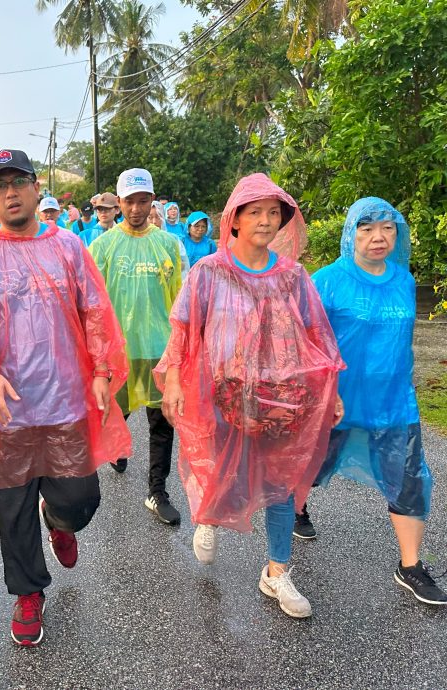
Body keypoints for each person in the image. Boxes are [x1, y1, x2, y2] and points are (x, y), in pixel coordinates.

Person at [0, 149, 131, 647]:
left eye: (19, 182)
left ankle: (60, 521)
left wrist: (100, 368)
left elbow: (96, 310)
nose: (10, 192)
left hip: (65, 401)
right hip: (8, 409)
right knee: (12, 509)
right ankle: (29, 593)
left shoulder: (69, 247)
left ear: (35, 188)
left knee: (80, 500)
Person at [156, 173, 345, 618]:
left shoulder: (293, 276)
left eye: (273, 212)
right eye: (255, 212)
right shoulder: (209, 272)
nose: (265, 220)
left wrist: (331, 390)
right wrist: (177, 379)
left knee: (281, 482)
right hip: (223, 394)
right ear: (234, 220)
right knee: (222, 467)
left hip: (281, 397)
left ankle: (277, 571)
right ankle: (207, 515)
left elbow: (319, 336)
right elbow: (184, 329)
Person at [297, 197, 447, 605]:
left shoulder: (402, 279)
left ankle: (411, 565)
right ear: (351, 233)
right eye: (366, 228)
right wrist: (318, 393)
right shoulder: (327, 280)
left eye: (387, 228)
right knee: (309, 468)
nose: (378, 237)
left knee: (411, 478)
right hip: (337, 401)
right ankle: (296, 510)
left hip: (395, 402)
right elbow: (304, 340)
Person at [90, 168, 183, 525]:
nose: (136, 208)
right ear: (118, 202)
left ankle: (157, 491)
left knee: (162, 423)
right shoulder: (103, 247)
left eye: (143, 201)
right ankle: (116, 451)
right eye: (129, 201)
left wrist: (180, 352)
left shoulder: (168, 245)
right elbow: (93, 305)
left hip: (159, 351)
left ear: (152, 201)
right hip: (120, 355)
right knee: (115, 414)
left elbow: (179, 300)